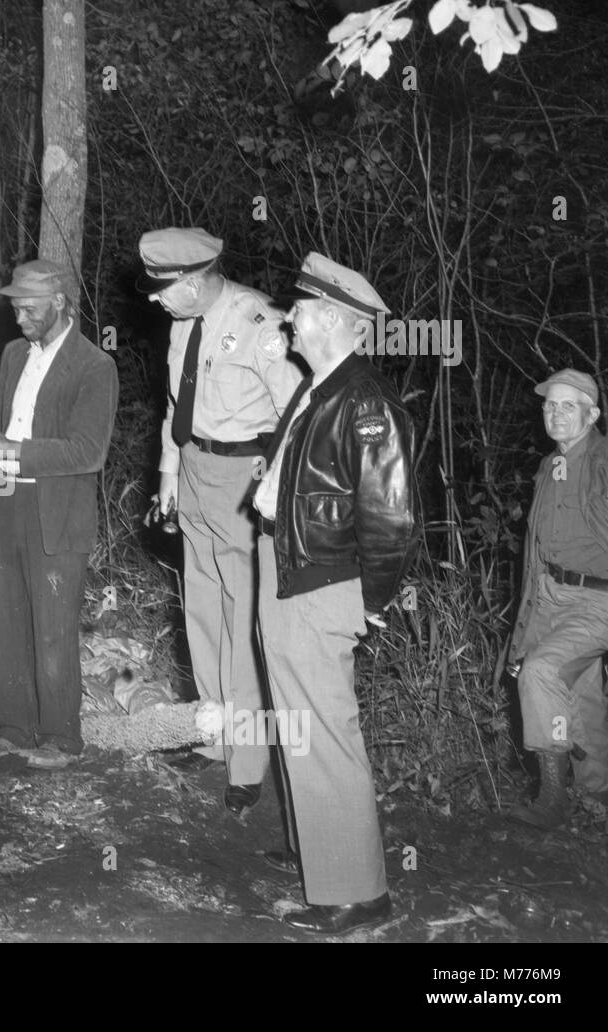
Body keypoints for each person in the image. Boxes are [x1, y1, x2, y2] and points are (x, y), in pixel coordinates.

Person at [252, 251, 420, 934]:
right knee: (298, 725)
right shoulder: (319, 386)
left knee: (325, 731)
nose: (288, 318)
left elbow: (392, 518)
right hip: (289, 568)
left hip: (323, 583)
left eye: (298, 309)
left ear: (329, 319)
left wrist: (370, 602)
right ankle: (318, 855)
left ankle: (358, 892)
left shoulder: (364, 400)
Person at [138, 227, 302, 815]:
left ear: (196, 280)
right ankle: (211, 736)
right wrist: (167, 472)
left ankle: (248, 763)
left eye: (164, 291)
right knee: (202, 612)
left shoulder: (264, 324)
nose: (154, 302)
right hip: (196, 473)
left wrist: (274, 485)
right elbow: (176, 408)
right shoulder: (184, 322)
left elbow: (297, 412)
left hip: (243, 478)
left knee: (244, 622)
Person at [0, 260, 119, 770]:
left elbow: (86, 452)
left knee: (52, 626)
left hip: (55, 511)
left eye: (28, 307)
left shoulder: (94, 366)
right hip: (5, 498)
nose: (19, 316)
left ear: (60, 302)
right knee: (3, 616)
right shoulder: (13, 354)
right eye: (13, 306)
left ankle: (61, 737)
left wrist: (10, 448)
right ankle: (14, 727)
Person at [508, 368, 608, 828]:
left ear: (592, 413)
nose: (555, 413)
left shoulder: (606, 461)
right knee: (580, 697)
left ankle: (553, 797)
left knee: (542, 672)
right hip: (549, 593)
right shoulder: (549, 466)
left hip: (598, 599)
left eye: (568, 405)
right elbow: (535, 549)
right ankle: (597, 797)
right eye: (550, 405)